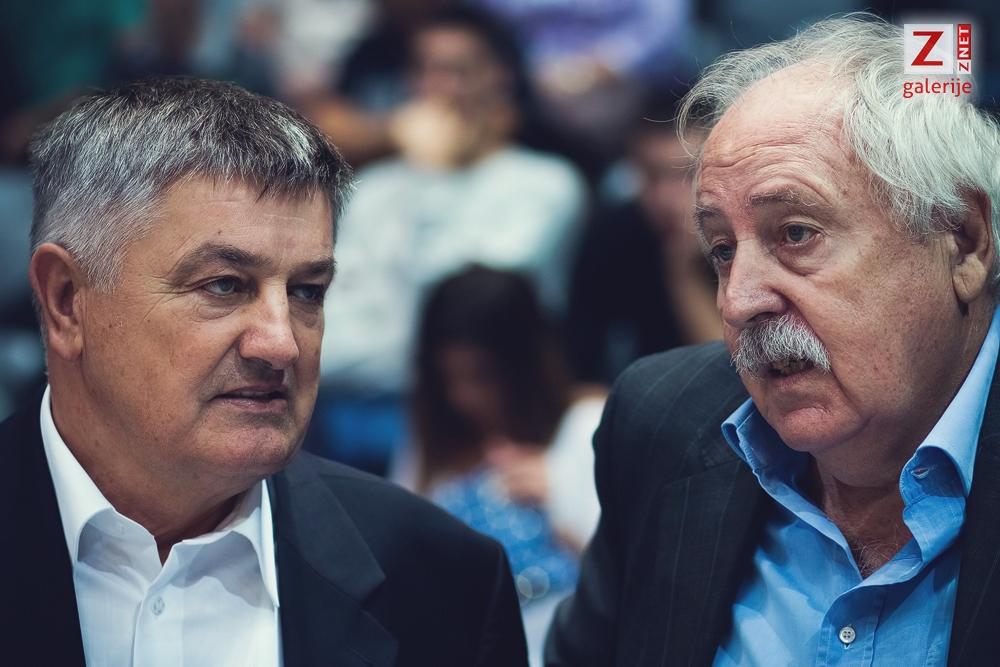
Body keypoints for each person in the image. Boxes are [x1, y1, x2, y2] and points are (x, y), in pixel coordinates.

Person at [0, 76, 528, 666]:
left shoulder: (445, 580)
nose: (281, 343)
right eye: (224, 285)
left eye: (307, 291)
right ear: (67, 301)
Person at [546, 14, 1000, 667]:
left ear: (962, 238)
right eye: (722, 250)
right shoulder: (660, 423)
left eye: (795, 233)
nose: (737, 301)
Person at [394, 265, 602, 667]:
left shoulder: (586, 425)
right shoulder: (433, 444)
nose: (462, 396)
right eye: (447, 379)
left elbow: (635, 578)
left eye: (480, 376)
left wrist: (564, 494)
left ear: (523, 368)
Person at [566, 93, 722, 384]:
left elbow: (729, 377)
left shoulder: (744, 235)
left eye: (687, 175)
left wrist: (684, 272)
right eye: (652, 176)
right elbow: (582, 357)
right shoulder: (614, 231)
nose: (665, 198)